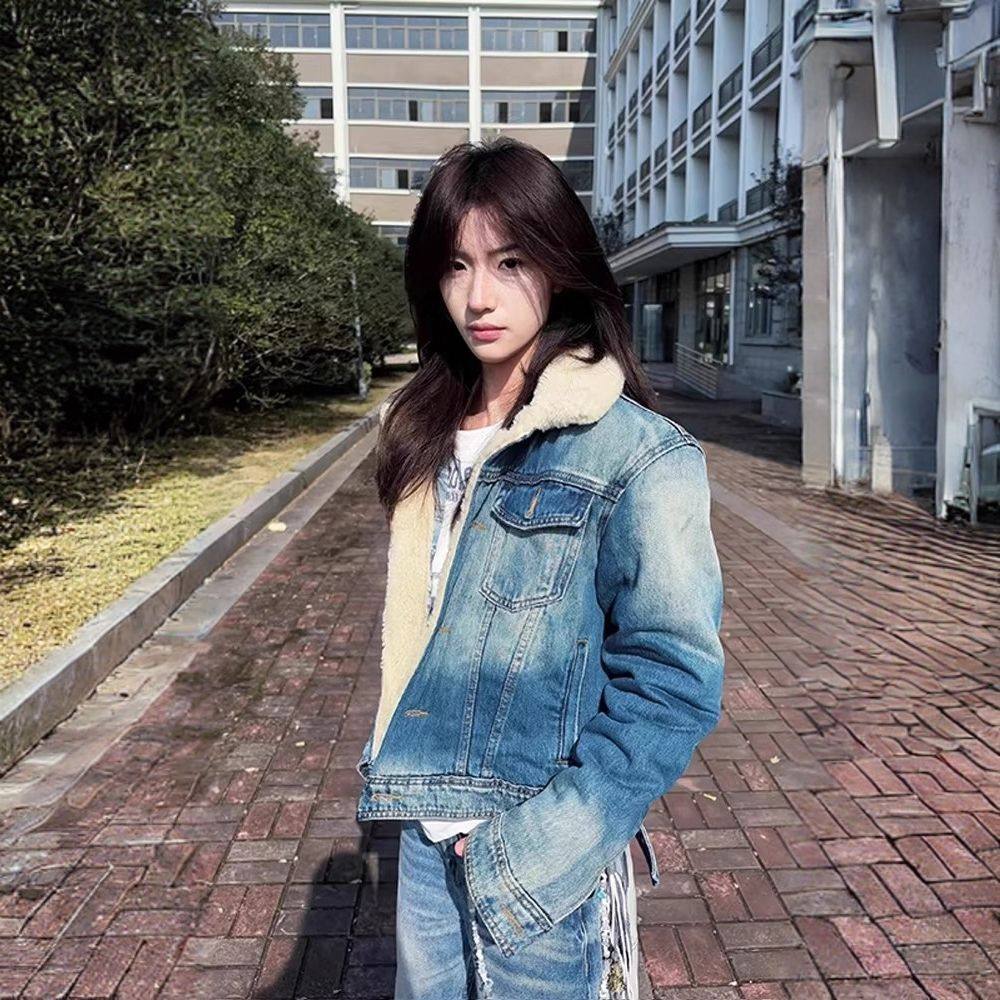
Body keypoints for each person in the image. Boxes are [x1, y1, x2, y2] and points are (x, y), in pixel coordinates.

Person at [355, 136, 725, 999]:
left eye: (510, 261)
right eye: (456, 266)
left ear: (560, 265)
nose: (478, 296)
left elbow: (674, 681)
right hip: (420, 827)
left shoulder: (637, 453)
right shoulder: (422, 431)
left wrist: (549, 843)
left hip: (537, 851)